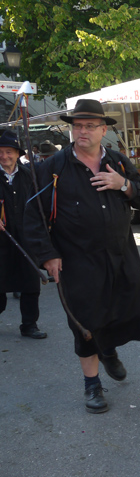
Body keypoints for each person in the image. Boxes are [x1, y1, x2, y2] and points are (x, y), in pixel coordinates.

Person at [24, 99, 140, 414]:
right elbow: (33, 215)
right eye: (77, 125)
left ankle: (107, 349)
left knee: (120, 310)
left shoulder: (119, 162)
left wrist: (123, 184)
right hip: (78, 260)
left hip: (121, 254)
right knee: (83, 321)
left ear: (103, 129)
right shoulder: (52, 168)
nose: (82, 131)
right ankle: (92, 385)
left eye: (89, 126)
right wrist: (48, 255)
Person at [0, 132, 46, 339]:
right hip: (1, 240)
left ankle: (29, 324)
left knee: (30, 282)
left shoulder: (29, 176)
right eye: (0, 152)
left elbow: (40, 204)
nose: (4, 156)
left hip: (26, 237)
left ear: (17, 153)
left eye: (8, 152)